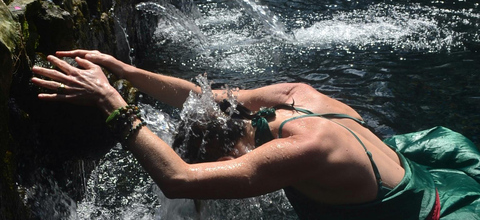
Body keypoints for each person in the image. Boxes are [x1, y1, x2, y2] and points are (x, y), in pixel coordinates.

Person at [31, 50, 480, 220]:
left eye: (224, 163)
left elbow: (178, 179)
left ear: (232, 149)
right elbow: (203, 96)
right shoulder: (294, 97)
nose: (230, 172)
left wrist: (114, 105)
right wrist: (127, 72)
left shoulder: (305, 149)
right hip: (428, 172)